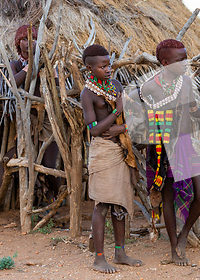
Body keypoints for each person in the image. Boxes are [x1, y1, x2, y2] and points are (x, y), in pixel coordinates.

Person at [129, 39, 200, 266]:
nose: (186, 63)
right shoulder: (150, 87)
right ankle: (175, 248)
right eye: (180, 59)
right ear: (164, 63)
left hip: (184, 146)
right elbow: (128, 103)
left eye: (186, 57)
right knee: (168, 197)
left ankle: (183, 235)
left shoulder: (184, 83)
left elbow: (193, 110)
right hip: (161, 150)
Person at [80, 44, 142, 274]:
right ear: (89, 68)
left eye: (109, 65)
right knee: (103, 205)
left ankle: (120, 252)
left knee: (119, 205)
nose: (108, 69)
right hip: (103, 151)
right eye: (102, 66)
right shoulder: (87, 94)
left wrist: (120, 127)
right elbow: (94, 130)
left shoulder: (115, 86)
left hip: (120, 150)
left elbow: (130, 120)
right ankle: (98, 258)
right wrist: (117, 111)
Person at [0, 25, 59, 204]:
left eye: (33, 39)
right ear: (18, 43)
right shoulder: (15, 64)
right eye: (25, 39)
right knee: (10, 157)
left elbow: (57, 86)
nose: (29, 43)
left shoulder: (47, 62)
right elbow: (14, 84)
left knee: (50, 164)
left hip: (48, 118)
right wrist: (29, 68)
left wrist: (45, 67)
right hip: (27, 119)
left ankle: (57, 197)